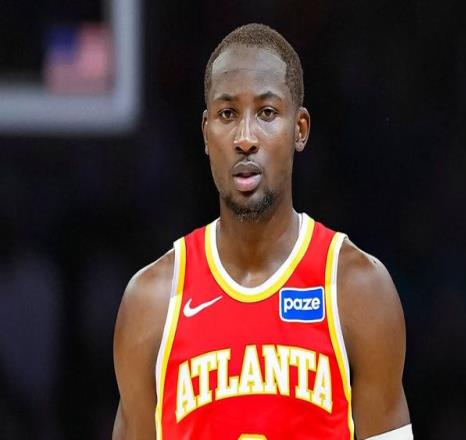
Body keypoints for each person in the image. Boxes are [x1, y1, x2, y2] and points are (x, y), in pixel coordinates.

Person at [113, 23, 412, 440]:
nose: (245, 138)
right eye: (227, 114)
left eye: (267, 113)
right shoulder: (151, 302)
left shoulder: (359, 290)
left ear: (300, 129)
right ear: (206, 133)